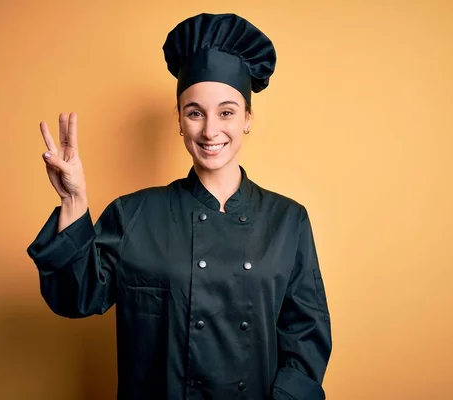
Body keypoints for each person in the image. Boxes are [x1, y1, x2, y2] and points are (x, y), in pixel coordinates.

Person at [27, 12, 332, 400]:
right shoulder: (134, 214)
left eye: (227, 112)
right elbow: (76, 297)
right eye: (194, 113)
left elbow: (306, 338)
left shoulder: (288, 220)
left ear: (248, 119)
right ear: (179, 121)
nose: (210, 130)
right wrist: (73, 200)